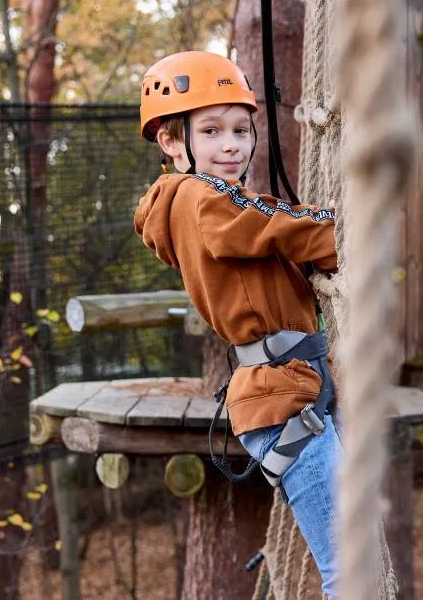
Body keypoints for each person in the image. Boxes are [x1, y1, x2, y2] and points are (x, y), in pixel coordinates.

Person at [133, 50, 342, 595]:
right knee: (348, 568)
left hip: (293, 388)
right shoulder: (201, 199)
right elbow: (274, 225)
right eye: (211, 131)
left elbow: (269, 225)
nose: (231, 145)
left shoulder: (209, 201)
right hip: (283, 395)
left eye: (241, 130)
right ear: (171, 141)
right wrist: (344, 229)